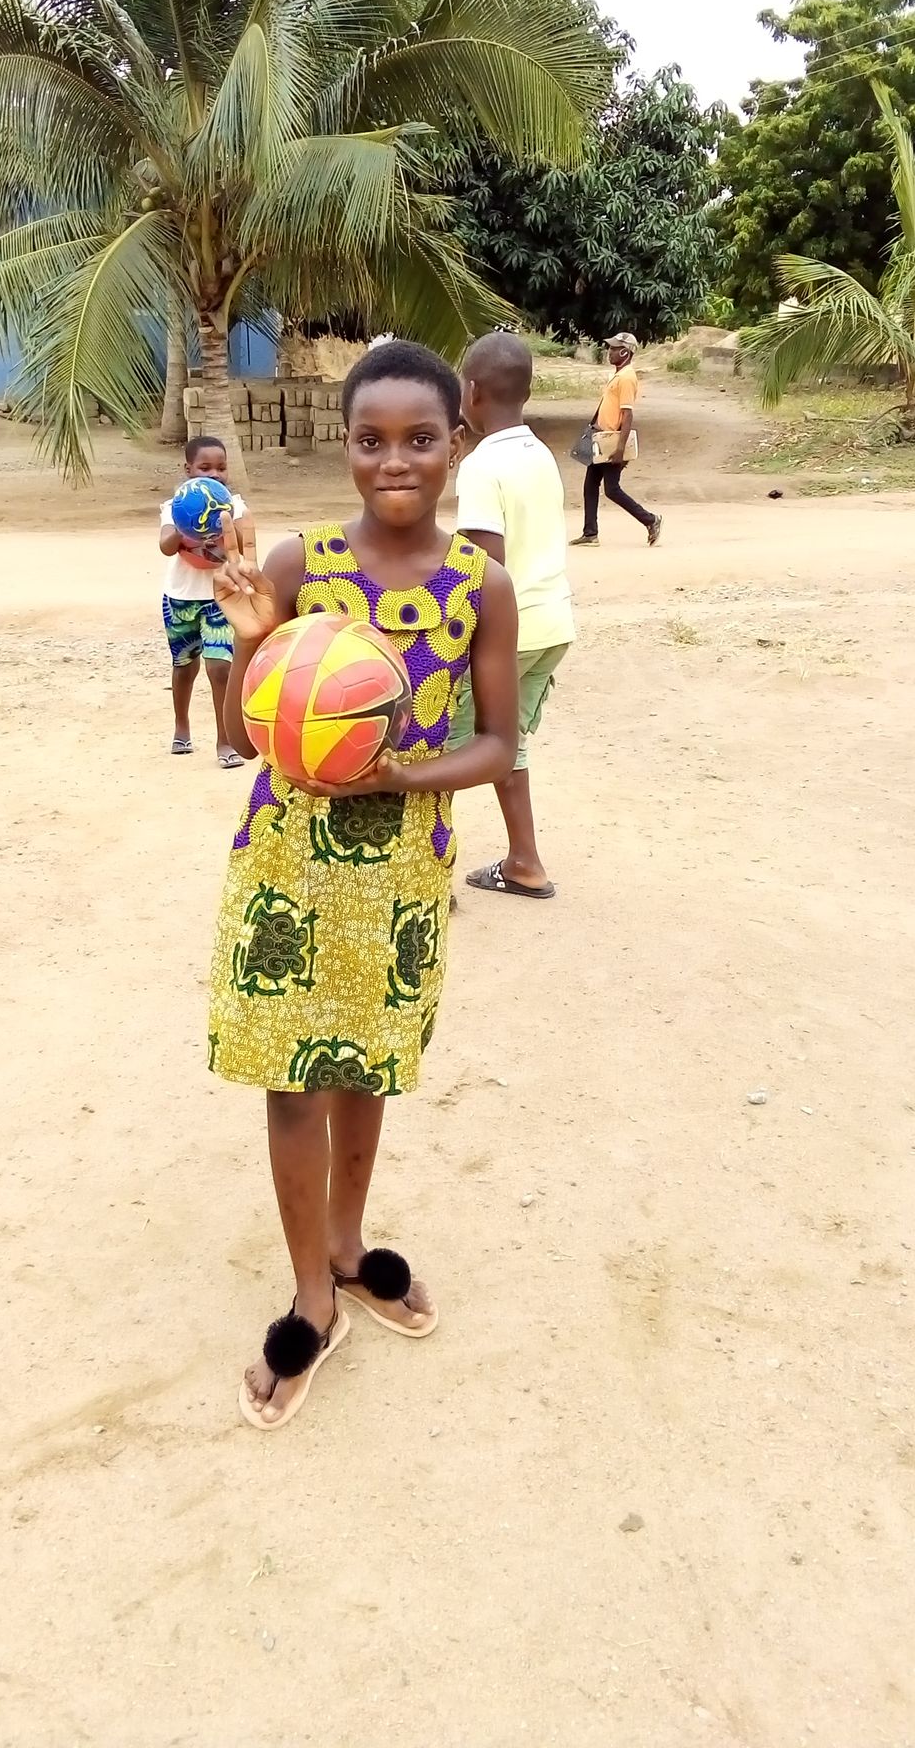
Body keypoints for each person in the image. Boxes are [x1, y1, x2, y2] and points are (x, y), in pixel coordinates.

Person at [207, 339, 519, 1429]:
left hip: (400, 877)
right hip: (288, 870)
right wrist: (253, 641)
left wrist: (401, 777)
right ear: (344, 446)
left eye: (420, 439)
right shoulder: (302, 565)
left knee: (366, 1071)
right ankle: (312, 1296)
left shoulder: (481, 585)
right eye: (371, 439)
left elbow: (498, 744)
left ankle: (347, 1246)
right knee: (293, 1083)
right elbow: (245, 736)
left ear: (456, 444)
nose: (396, 460)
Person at [448, 330, 575, 900]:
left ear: (472, 391)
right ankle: (524, 862)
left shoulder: (482, 465)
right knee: (508, 741)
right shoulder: (540, 454)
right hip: (552, 625)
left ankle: (426, 877)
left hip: (507, 632)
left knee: (440, 749)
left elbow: (484, 566)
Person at [158, 435, 246, 765]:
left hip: (221, 598)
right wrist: (187, 527)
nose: (214, 474)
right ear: (188, 469)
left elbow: (242, 541)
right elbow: (166, 546)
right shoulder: (176, 505)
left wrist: (223, 525)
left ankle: (225, 741)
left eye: (221, 468)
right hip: (181, 597)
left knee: (220, 668)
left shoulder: (234, 506)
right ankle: (182, 727)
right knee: (184, 666)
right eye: (205, 468)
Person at [571, 333, 662, 547]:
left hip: (611, 441)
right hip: (602, 439)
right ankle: (590, 533)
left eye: (614, 348)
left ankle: (650, 520)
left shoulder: (627, 378)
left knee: (612, 489)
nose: (609, 352)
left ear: (625, 352)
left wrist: (620, 449)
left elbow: (627, 414)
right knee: (591, 485)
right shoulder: (619, 375)